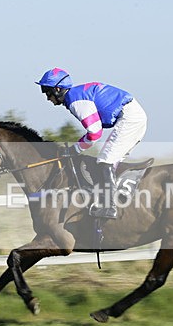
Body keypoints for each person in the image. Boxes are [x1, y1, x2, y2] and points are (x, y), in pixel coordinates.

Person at [36, 67, 148, 219]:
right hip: (133, 116)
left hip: (130, 118)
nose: (47, 98)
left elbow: (95, 134)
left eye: (47, 92)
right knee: (110, 161)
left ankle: (109, 207)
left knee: (105, 160)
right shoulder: (76, 96)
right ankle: (117, 198)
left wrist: (75, 149)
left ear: (57, 89)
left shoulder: (76, 101)